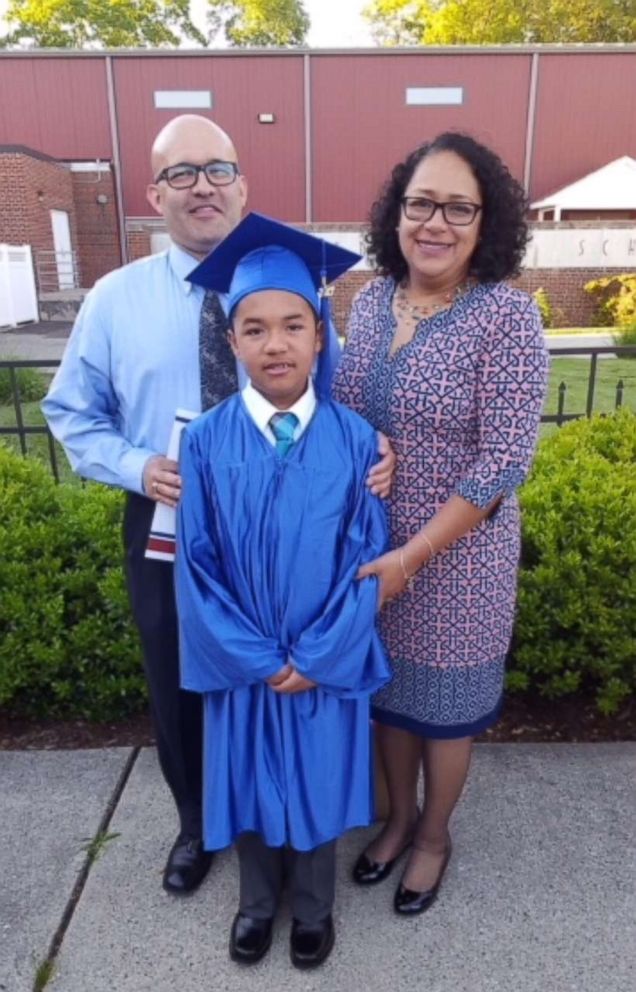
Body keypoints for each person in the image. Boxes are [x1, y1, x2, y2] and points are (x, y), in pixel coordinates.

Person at [42, 114, 395, 896]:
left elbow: (331, 396)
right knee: (179, 678)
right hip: (170, 519)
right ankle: (198, 825)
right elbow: (70, 409)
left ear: (242, 185)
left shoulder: (302, 293)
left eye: (218, 169)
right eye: (181, 173)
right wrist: (138, 467)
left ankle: (286, 817)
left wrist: (378, 449)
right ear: (153, 193)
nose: (202, 185)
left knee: (283, 668)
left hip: (290, 523)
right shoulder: (115, 298)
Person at [332, 132, 549, 915]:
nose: (436, 222)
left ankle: (432, 837)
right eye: (422, 202)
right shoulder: (369, 300)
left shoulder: (507, 319)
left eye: (460, 207)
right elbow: (349, 416)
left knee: (445, 713)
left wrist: (413, 557)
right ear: (398, 212)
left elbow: (501, 464)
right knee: (390, 700)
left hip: (459, 557)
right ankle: (394, 822)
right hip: (374, 545)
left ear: (485, 222)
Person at [174, 213, 391, 968]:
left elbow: (369, 557)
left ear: (320, 334)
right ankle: (255, 905)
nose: (276, 343)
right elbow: (194, 566)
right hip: (246, 665)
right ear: (232, 341)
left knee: (318, 784)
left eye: (293, 325)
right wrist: (260, 658)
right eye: (255, 327)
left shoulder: (358, 441)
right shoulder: (203, 442)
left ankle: (312, 909)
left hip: (321, 664)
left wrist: (321, 654)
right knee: (248, 786)